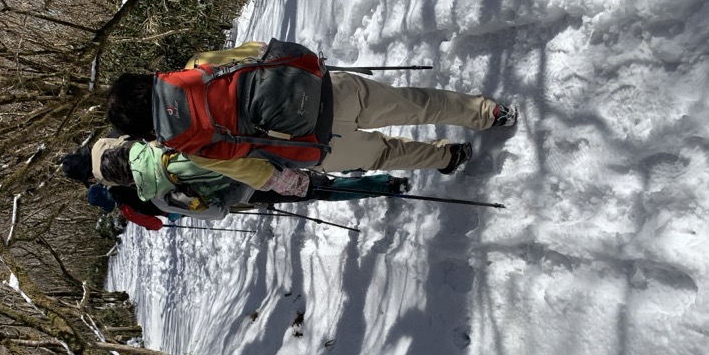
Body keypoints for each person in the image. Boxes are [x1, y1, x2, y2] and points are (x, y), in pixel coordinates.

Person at [105, 40, 517, 193]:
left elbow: (254, 171)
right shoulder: (199, 65)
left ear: (145, 129)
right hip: (326, 92)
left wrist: (296, 184)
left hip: (314, 145)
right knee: (414, 104)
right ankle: (489, 113)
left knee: (385, 154)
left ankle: (448, 157)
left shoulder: (190, 146)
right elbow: (261, 52)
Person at [95, 138, 411, 221]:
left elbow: (217, 211)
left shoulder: (160, 196)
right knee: (318, 154)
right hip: (252, 145)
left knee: (316, 189)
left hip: (254, 183)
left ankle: (386, 186)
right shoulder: (160, 140)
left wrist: (239, 186)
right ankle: (368, 157)